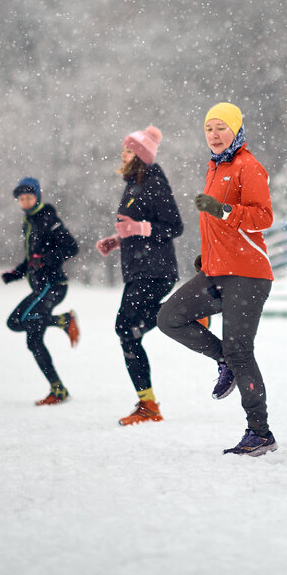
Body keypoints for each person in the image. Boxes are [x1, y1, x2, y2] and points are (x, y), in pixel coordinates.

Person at [157, 102, 277, 456]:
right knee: (169, 318)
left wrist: (224, 210)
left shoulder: (249, 167)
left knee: (242, 351)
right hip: (216, 271)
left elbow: (263, 218)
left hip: (248, 274)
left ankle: (260, 433)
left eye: (221, 127)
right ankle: (221, 358)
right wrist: (207, 256)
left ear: (236, 130)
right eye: (209, 128)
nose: (214, 134)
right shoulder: (214, 167)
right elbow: (216, 227)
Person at [95, 125, 186, 426]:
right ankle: (147, 404)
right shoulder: (132, 184)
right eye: (124, 148)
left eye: (129, 149)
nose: (123, 153)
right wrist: (119, 239)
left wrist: (139, 229)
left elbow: (174, 226)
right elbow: (138, 226)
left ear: (142, 155)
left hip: (155, 271)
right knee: (128, 332)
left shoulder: (153, 182)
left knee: (125, 329)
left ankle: (148, 405)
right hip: (138, 270)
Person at [1, 177, 81, 406]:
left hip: (53, 286)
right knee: (31, 338)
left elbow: (71, 247)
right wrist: (16, 273)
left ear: (38, 196)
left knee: (18, 321)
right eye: (21, 199)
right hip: (41, 287)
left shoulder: (47, 218)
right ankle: (58, 389)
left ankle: (64, 321)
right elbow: (31, 258)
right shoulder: (30, 221)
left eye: (29, 197)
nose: (25, 202)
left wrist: (47, 260)